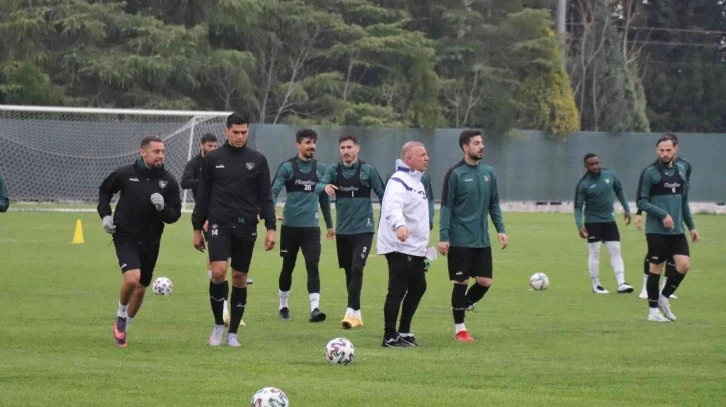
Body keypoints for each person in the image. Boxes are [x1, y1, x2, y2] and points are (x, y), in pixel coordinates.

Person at [191, 113, 276, 347]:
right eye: (236, 132)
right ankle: (219, 325)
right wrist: (197, 227)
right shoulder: (212, 159)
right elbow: (203, 195)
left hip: (246, 225)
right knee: (218, 272)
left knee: (239, 277)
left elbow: (265, 196)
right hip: (219, 224)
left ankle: (233, 333)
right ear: (226, 131)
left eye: (244, 132)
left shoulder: (258, 160)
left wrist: (271, 227)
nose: (240, 136)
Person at [98, 136, 182, 347]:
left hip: (151, 241)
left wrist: (163, 208)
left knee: (141, 288)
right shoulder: (125, 174)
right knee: (132, 279)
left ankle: (124, 327)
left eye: (162, 151)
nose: (160, 156)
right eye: (156, 152)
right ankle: (121, 314)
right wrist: (105, 215)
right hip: (125, 236)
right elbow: (105, 190)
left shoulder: (168, 181)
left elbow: (174, 215)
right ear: (143, 152)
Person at [438, 130, 508, 342]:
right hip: (459, 239)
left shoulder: (489, 172)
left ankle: (462, 305)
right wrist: (444, 236)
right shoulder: (455, 173)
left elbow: (494, 204)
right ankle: (460, 330)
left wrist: (501, 230)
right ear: (465, 147)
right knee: (462, 281)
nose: (481, 146)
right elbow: (446, 207)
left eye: (481, 142)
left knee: (485, 282)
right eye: (476, 143)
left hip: (481, 239)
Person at [181, 134, 249, 328]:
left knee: (226, 261)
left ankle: (224, 295)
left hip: (225, 214)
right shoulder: (195, 163)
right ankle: (223, 307)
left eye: (214, 145)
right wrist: (205, 182)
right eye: (209, 145)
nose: (212, 148)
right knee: (219, 261)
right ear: (202, 145)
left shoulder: (221, 161)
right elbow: (184, 182)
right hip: (207, 215)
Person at [318, 134, 385, 329]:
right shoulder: (333, 170)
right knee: (349, 272)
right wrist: (325, 187)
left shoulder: (367, 170)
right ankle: (357, 314)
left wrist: (384, 221)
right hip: (343, 231)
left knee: (357, 268)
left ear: (357, 148)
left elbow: (384, 195)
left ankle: (349, 312)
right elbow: (318, 186)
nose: (346, 151)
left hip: (364, 229)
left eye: (349, 147)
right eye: (342, 148)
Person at [271, 129, 334, 322]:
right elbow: (273, 190)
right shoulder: (287, 167)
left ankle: (315, 309)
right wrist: (271, 209)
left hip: (311, 229)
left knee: (312, 265)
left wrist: (330, 225)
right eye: (307, 142)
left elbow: (324, 198)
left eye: (314, 142)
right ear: (298, 145)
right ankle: (283, 306)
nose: (311, 146)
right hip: (290, 228)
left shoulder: (321, 169)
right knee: (287, 266)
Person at [636, 134, 700, 322]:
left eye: (668, 150)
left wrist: (692, 227)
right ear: (657, 150)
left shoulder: (681, 171)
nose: (664, 154)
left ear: (675, 149)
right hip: (656, 231)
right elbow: (641, 201)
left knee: (684, 265)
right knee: (656, 268)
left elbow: (683, 203)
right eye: (661, 150)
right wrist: (663, 214)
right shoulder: (650, 172)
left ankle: (663, 298)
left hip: (677, 231)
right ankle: (653, 312)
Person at [377, 141, 431, 348]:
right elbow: (392, 206)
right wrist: (399, 225)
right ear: (409, 159)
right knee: (398, 289)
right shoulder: (398, 180)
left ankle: (404, 331)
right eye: (422, 155)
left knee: (418, 287)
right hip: (399, 245)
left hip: (415, 247)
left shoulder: (417, 182)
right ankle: (390, 336)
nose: (427, 158)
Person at [574, 153, 634, 294]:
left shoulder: (609, 174)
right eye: (591, 164)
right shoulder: (583, 184)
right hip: (592, 222)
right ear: (585, 166)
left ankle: (621, 283)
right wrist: (580, 225)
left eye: (596, 163)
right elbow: (577, 208)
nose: (595, 166)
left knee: (616, 251)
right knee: (595, 253)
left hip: (609, 220)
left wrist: (626, 208)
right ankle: (596, 285)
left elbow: (619, 190)